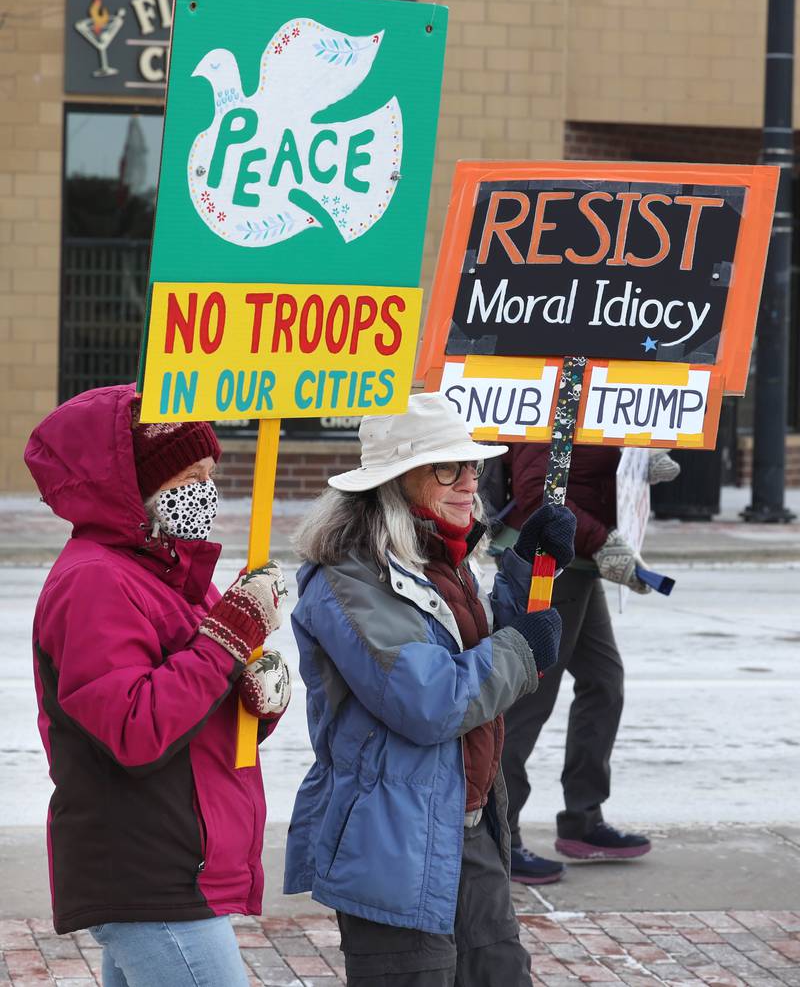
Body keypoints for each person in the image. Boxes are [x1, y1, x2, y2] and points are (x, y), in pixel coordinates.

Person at [283, 393, 576, 987]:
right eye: (448, 466)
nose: (470, 481)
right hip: (392, 845)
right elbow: (429, 700)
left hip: (466, 829)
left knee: (501, 974)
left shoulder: (438, 553)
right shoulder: (349, 576)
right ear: (395, 479)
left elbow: (477, 650)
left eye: (473, 466)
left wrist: (527, 566)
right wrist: (523, 650)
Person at [25, 384, 292, 987]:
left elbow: (205, 691)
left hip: (176, 855)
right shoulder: (96, 580)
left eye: (209, 472)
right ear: (133, 488)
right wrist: (227, 638)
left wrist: (259, 694)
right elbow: (134, 728)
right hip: (145, 863)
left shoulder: (176, 572)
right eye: (185, 477)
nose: (205, 490)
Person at [498, 443, 680, 885]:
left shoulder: (598, 394)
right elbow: (537, 492)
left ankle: (583, 819)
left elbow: (587, 471)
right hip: (548, 561)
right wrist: (603, 541)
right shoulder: (559, 387)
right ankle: (498, 836)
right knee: (529, 699)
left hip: (579, 559)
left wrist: (634, 461)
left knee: (604, 682)